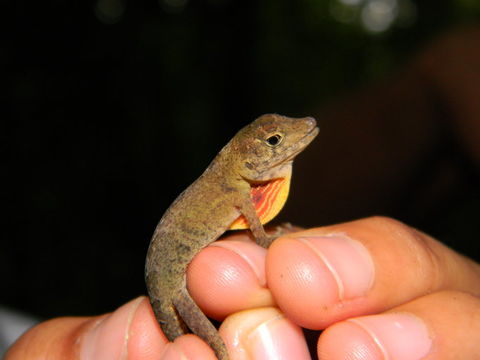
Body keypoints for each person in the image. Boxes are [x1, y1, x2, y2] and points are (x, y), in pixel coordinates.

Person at [5, 26, 480, 359]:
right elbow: (261, 238)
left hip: (173, 273)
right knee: (210, 347)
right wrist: (280, 235)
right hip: (169, 284)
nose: (299, 131)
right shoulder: (232, 187)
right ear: (251, 157)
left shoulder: (232, 182)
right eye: (275, 141)